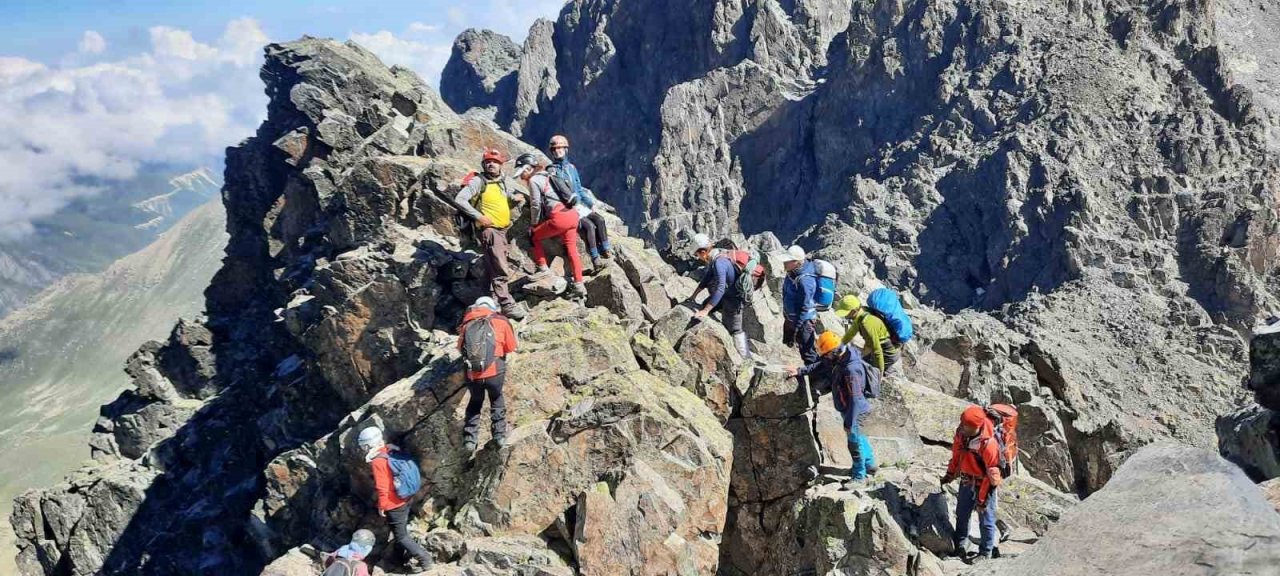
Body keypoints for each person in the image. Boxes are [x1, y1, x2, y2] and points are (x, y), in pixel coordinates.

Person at [788, 331, 876, 483]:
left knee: (854, 443)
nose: (825, 358)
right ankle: (870, 465)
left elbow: (855, 398)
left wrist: (850, 421)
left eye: (827, 355)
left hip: (855, 410)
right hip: (849, 407)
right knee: (859, 437)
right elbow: (822, 364)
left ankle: (859, 476)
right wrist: (800, 371)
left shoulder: (851, 369)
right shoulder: (840, 357)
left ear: (834, 351)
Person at [454, 148, 528, 320]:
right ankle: (507, 304)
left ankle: (486, 301)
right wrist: (479, 216)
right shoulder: (478, 181)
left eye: (494, 162)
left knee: (491, 265)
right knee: (500, 267)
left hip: (502, 230)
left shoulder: (502, 182)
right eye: (488, 162)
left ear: (501, 165)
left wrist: (512, 200)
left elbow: (501, 201)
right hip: (490, 231)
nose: (491, 165)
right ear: (483, 165)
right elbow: (460, 199)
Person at [357, 427, 434, 573]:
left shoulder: (378, 461)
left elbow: (382, 486)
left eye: (364, 446)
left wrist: (382, 506)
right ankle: (397, 560)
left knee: (401, 537)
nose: (363, 449)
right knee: (399, 531)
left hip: (394, 503)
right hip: (406, 497)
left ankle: (425, 560)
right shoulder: (390, 450)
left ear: (368, 445)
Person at [515, 153, 587, 299]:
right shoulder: (548, 174)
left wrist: (534, 225)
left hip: (559, 217)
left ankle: (543, 269)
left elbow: (535, 204)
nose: (521, 177)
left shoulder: (534, 180)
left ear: (528, 169)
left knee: (534, 237)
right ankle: (579, 285)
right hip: (572, 215)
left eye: (522, 172)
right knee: (572, 250)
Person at [940, 406, 1004, 562]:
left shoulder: (989, 444)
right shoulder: (961, 435)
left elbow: (992, 477)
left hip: (985, 484)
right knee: (962, 514)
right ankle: (960, 545)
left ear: (977, 426)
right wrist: (950, 474)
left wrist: (982, 501)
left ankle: (985, 552)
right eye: (961, 423)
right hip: (967, 480)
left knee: (986, 519)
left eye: (965, 425)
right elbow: (957, 455)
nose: (961, 427)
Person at [458, 296, 518, 453]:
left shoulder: (467, 323)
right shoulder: (501, 320)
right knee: (496, 398)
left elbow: (460, 348)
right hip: (495, 371)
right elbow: (511, 347)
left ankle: (470, 439)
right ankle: (499, 435)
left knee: (475, 402)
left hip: (473, 373)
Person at [546, 134, 612, 268]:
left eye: (561, 148)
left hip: (580, 206)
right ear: (552, 152)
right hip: (567, 207)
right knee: (589, 226)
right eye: (555, 149)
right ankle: (595, 257)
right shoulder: (552, 171)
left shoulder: (571, 168)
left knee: (600, 220)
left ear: (566, 150)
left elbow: (579, 190)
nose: (558, 151)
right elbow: (559, 193)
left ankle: (606, 249)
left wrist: (590, 203)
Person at [687, 233, 751, 359]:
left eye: (697, 254)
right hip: (727, 296)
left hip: (734, 300)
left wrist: (706, 311)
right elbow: (706, 279)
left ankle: (747, 360)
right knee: (706, 304)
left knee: (735, 329)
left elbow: (721, 287)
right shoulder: (716, 256)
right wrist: (693, 296)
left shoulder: (719, 262)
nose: (697, 257)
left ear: (703, 251)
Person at [833, 294, 901, 373]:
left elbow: (877, 351)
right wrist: (842, 344)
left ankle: (885, 369)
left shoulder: (866, 324)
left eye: (846, 313)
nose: (845, 316)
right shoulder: (862, 312)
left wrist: (879, 373)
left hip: (888, 354)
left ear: (854, 311)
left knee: (856, 367)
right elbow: (852, 331)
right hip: (889, 348)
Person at [780, 245, 819, 366]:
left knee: (808, 352)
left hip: (804, 321)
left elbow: (805, 306)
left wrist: (797, 327)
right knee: (788, 343)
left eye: (787, 260)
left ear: (796, 262)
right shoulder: (792, 272)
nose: (784, 262)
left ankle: (816, 380)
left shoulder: (804, 280)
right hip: (792, 318)